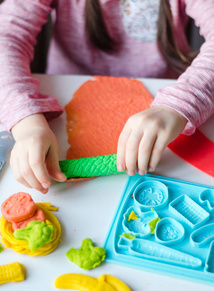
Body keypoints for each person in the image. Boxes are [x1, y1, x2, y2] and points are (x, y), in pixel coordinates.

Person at [0, 0, 213, 194]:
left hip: (162, 105)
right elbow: (6, 36)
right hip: (66, 104)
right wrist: (27, 124)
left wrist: (178, 106)